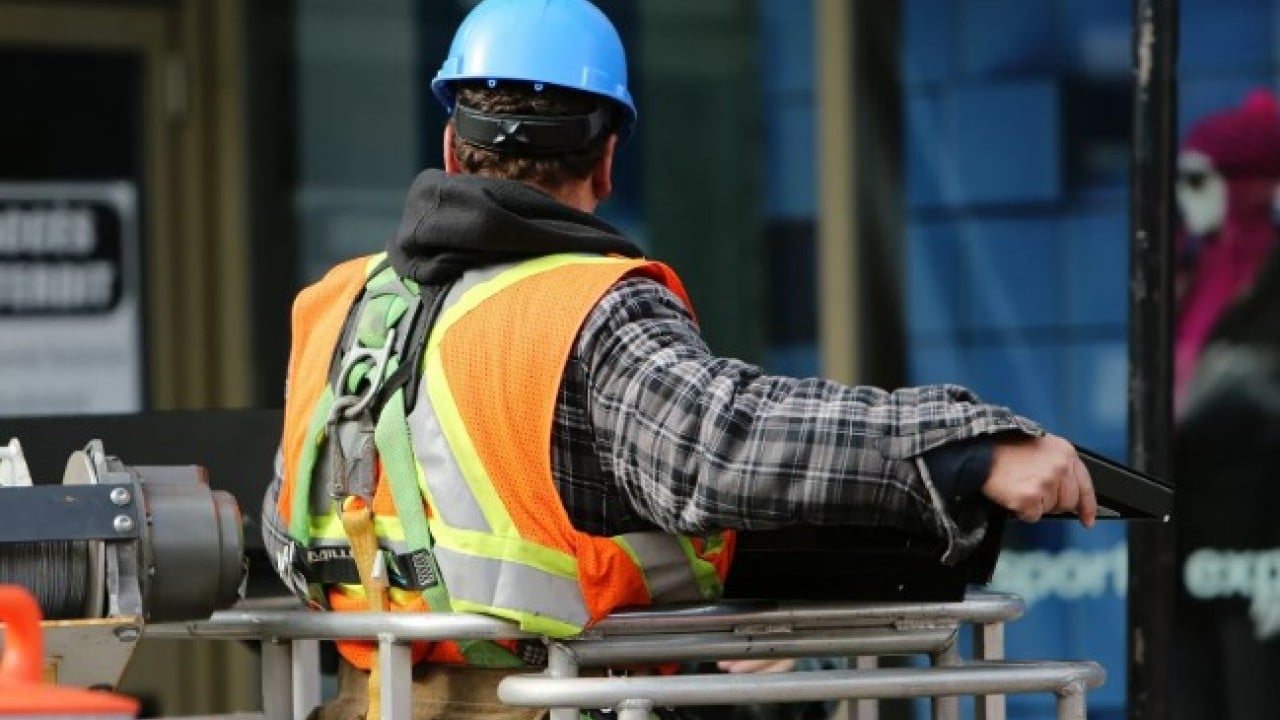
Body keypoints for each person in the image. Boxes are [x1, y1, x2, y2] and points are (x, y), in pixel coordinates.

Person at [260, 1, 1096, 719]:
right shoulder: (584, 308)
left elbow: (288, 524)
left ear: (450, 147)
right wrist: (966, 446)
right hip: (556, 704)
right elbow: (717, 445)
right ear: (609, 159)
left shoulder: (341, 307)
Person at [1170, 90, 1280, 720]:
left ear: (1248, 183)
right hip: (1186, 554)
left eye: (1197, 178)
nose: (1187, 197)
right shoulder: (1185, 277)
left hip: (1258, 557)